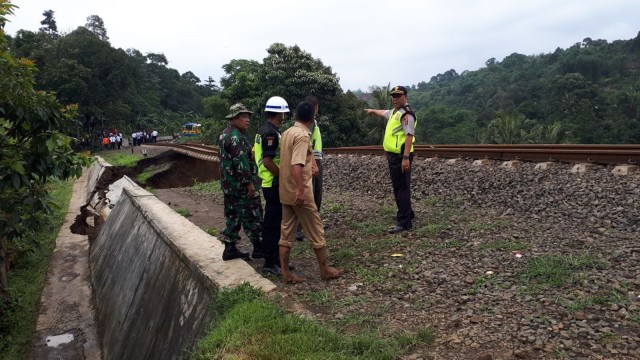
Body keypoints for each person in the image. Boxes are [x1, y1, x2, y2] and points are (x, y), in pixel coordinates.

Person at [278, 101, 343, 283]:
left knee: (286, 232)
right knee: (316, 231)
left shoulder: (287, 132)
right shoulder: (302, 136)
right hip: (300, 193)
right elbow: (296, 165)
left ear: (296, 116)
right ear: (312, 117)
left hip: (285, 191)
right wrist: (300, 190)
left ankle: (285, 274)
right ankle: (325, 270)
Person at [364, 85, 417, 234]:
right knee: (402, 186)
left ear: (405, 97)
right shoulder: (395, 112)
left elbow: (409, 136)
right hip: (395, 155)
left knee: (401, 188)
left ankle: (404, 221)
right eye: (393, 96)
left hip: (401, 155)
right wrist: (373, 111)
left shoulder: (407, 115)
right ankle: (408, 213)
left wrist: (405, 157)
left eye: (398, 96)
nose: (395, 99)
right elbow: (385, 113)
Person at [218, 103, 264, 261]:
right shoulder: (236, 137)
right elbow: (240, 162)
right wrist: (249, 184)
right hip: (241, 186)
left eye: (248, 116)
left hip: (229, 185)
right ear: (234, 118)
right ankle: (259, 248)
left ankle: (229, 248)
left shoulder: (224, 134)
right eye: (244, 117)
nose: (247, 120)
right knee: (253, 214)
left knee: (233, 216)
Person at [254, 96, 289, 275]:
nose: (284, 116)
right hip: (273, 182)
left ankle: (275, 258)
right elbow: (268, 161)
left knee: (275, 221)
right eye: (283, 113)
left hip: (270, 182)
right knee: (273, 223)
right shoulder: (270, 133)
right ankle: (270, 261)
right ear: (279, 113)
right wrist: (283, 176)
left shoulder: (265, 130)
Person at [296, 95, 322, 241]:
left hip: (315, 159)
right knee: (309, 194)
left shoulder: (313, 122)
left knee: (316, 193)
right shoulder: (309, 123)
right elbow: (308, 144)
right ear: (315, 107)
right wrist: (313, 163)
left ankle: (312, 224)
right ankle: (300, 228)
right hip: (312, 161)